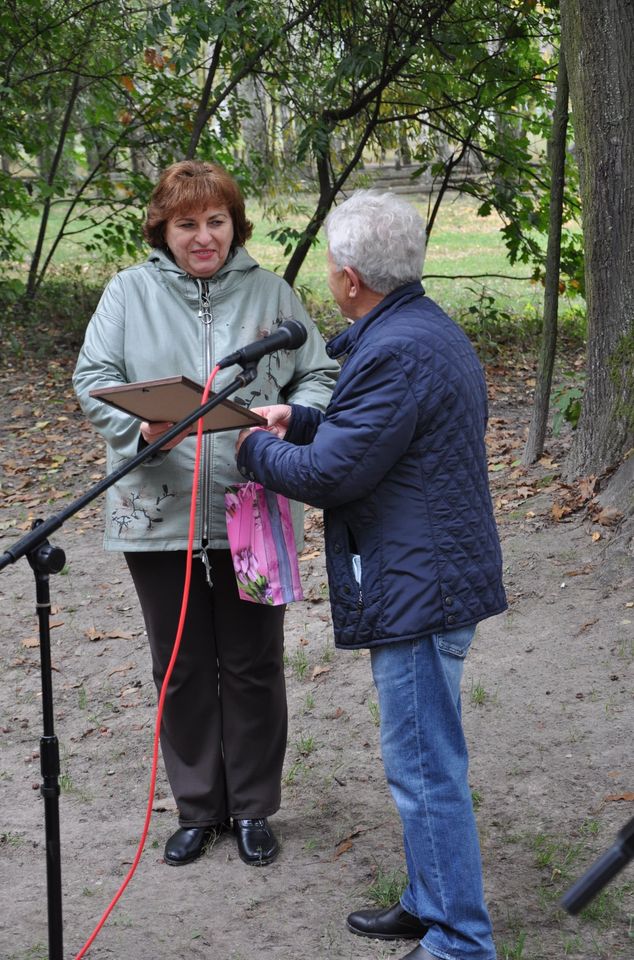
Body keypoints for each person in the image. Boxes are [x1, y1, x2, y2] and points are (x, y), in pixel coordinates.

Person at [235, 190, 507, 959]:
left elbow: (333, 474)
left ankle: (459, 940)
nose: (327, 274)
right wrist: (306, 417)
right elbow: (384, 433)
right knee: (420, 762)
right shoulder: (417, 330)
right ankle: (430, 902)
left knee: (425, 771)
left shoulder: (393, 346)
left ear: (349, 277)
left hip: (422, 586)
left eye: (329, 262)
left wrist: (251, 448)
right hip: (428, 571)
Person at [73, 160, 339, 868]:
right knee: (182, 665)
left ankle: (252, 807)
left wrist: (294, 416)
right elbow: (94, 378)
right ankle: (199, 808)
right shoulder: (128, 293)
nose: (202, 237)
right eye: (187, 223)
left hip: (255, 502)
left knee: (253, 661)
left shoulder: (272, 293)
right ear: (163, 227)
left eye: (215, 221)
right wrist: (139, 430)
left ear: (234, 224)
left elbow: (319, 370)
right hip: (155, 510)